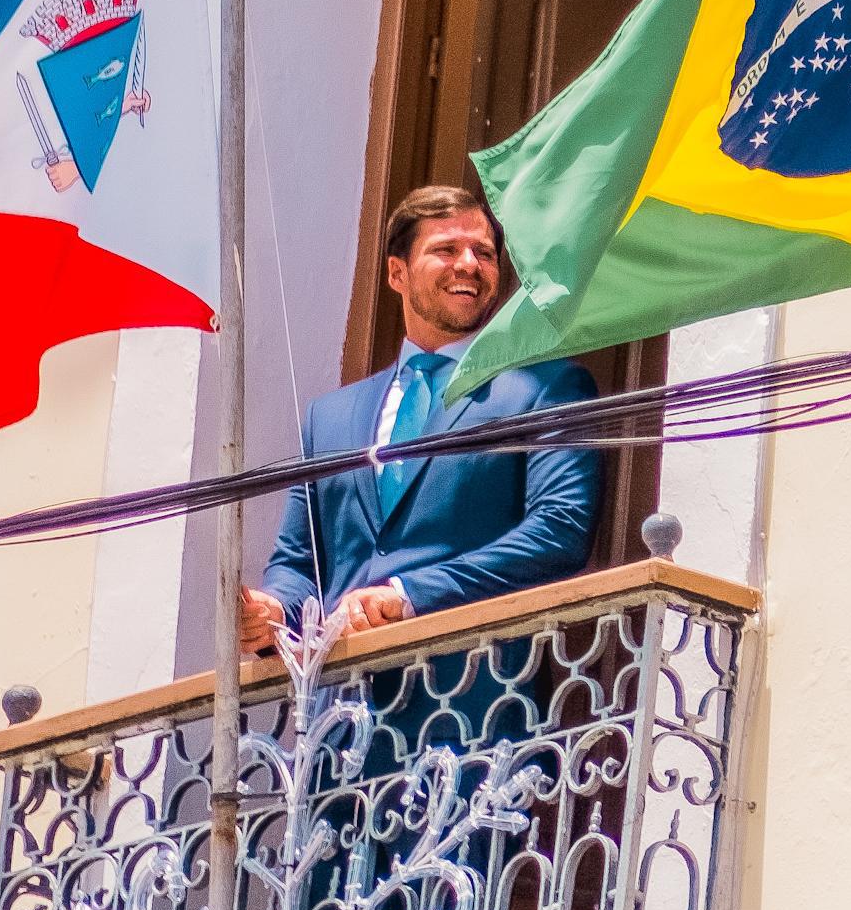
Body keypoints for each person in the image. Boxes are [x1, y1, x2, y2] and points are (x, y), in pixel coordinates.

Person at [242, 185, 602, 655]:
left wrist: (411, 594)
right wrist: (272, 611)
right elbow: (299, 561)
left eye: (485, 253)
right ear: (398, 272)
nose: (469, 264)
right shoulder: (327, 418)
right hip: (340, 714)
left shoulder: (545, 389)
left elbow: (560, 530)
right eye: (446, 250)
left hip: (476, 702)